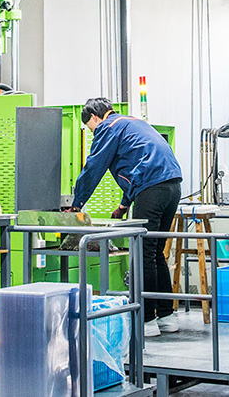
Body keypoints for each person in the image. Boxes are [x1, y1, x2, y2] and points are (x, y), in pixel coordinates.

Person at [70, 98, 183, 338]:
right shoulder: (132, 122)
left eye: (90, 128)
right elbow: (139, 165)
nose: (93, 133)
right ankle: (166, 317)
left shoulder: (107, 127)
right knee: (155, 251)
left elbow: (94, 168)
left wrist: (76, 204)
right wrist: (124, 205)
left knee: (143, 252)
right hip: (172, 186)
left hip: (152, 187)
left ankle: (147, 320)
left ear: (94, 117)